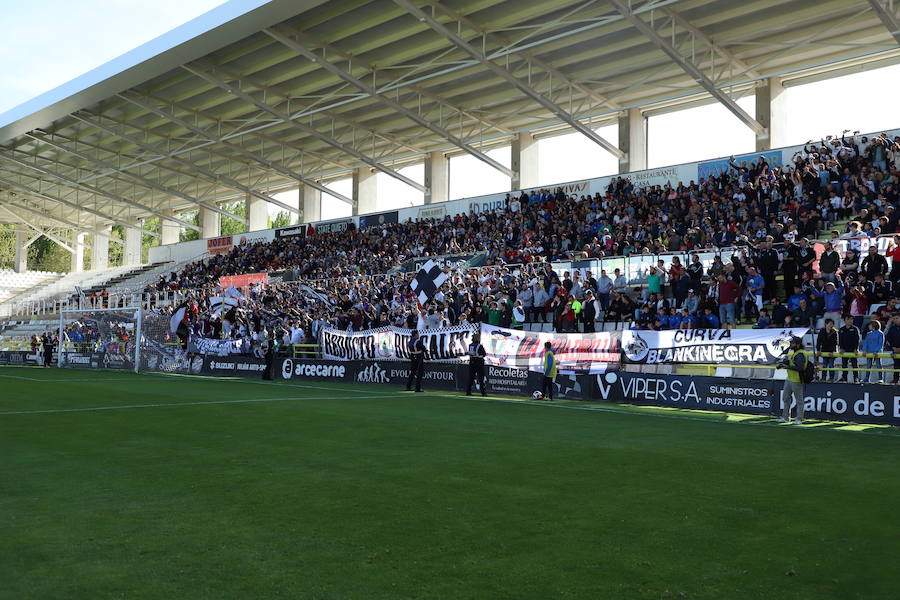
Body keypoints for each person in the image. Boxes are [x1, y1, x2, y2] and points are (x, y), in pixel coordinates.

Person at [778, 336, 808, 425]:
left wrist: (787, 366)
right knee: (785, 398)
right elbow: (793, 363)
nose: (791, 345)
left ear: (798, 344)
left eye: (793, 343)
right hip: (790, 379)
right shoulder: (796, 353)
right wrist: (783, 364)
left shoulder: (800, 354)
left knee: (799, 401)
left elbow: (800, 368)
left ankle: (799, 419)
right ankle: (785, 417)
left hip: (796, 380)